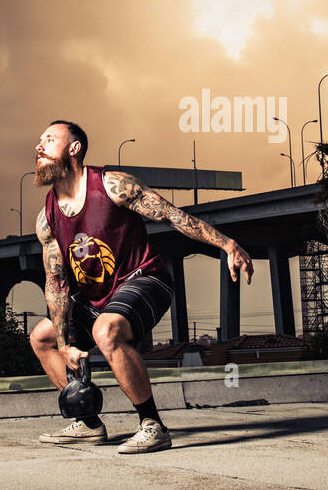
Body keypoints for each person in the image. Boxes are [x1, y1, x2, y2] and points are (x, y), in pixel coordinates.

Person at [31, 119, 254, 453]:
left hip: (145, 279)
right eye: (39, 140)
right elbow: (57, 283)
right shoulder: (47, 218)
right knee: (42, 337)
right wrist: (64, 343)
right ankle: (88, 422)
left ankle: (153, 425)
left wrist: (227, 244)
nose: (39, 146)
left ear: (73, 148)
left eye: (49, 139)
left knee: (105, 332)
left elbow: (172, 215)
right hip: (96, 298)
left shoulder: (112, 185)